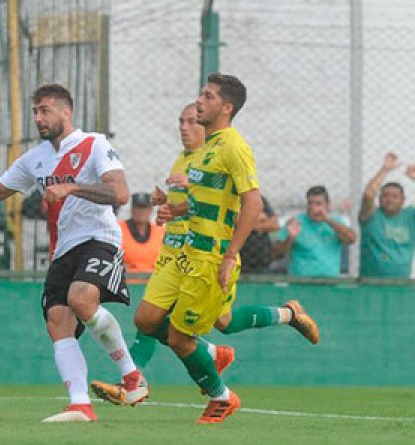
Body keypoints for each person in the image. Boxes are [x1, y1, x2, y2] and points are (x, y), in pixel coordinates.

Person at [92, 101, 316, 411]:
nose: (184, 127)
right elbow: (188, 208)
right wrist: (166, 205)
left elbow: (229, 206)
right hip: (178, 255)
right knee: (202, 320)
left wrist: (194, 212)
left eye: (191, 121)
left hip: (206, 257)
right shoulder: (183, 160)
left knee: (165, 325)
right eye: (180, 121)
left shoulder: (221, 159)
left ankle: (142, 381)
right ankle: (285, 316)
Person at [0, 83, 141, 423]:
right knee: (58, 321)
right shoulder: (35, 159)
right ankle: (80, 405)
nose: (38, 118)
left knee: (81, 299)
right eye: (35, 111)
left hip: (99, 239)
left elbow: (120, 193)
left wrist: (72, 186)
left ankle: (132, 375)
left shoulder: (94, 144)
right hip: (63, 250)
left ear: (66, 111)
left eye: (45, 110)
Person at [275, 185, 356, 277]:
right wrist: (290, 238)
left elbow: (351, 239)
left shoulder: (336, 221)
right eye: (310, 203)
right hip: (300, 283)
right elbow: (276, 254)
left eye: (318, 204)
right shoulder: (296, 222)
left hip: (329, 283)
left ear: (327, 205)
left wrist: (328, 220)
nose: (313, 208)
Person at [358, 152, 415, 278]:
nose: (390, 200)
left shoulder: (410, 216)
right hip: (371, 284)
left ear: (403, 199)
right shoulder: (370, 215)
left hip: (401, 285)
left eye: (395, 196)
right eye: (385, 196)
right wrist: (384, 170)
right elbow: (368, 195)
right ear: (379, 198)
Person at [118, 192, 164, 274]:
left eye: (144, 208)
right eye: (137, 208)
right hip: (127, 281)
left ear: (151, 210)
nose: (141, 211)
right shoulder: (119, 229)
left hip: (153, 281)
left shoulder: (160, 232)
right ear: (132, 210)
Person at [238, 194, 280, 274]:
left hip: (262, 261)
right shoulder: (232, 198)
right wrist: (260, 218)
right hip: (239, 259)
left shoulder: (258, 198)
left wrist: (247, 222)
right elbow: (235, 220)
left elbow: (275, 224)